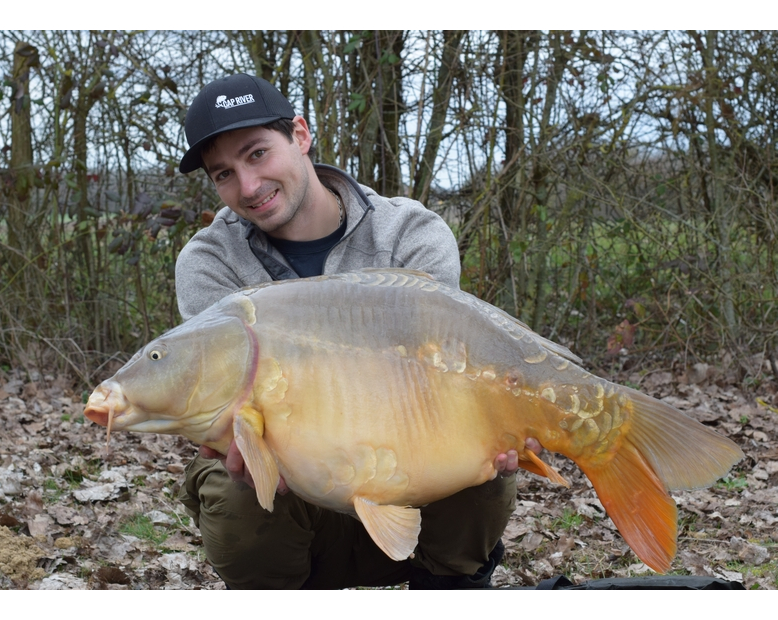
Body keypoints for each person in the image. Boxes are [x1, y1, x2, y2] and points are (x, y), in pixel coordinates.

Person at [174, 73, 541, 589]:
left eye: (257, 154)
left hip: (413, 479)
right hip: (293, 499)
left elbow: (436, 386)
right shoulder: (209, 263)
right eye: (223, 174)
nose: (248, 187)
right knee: (232, 486)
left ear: (300, 135)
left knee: (488, 466)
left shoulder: (411, 233)